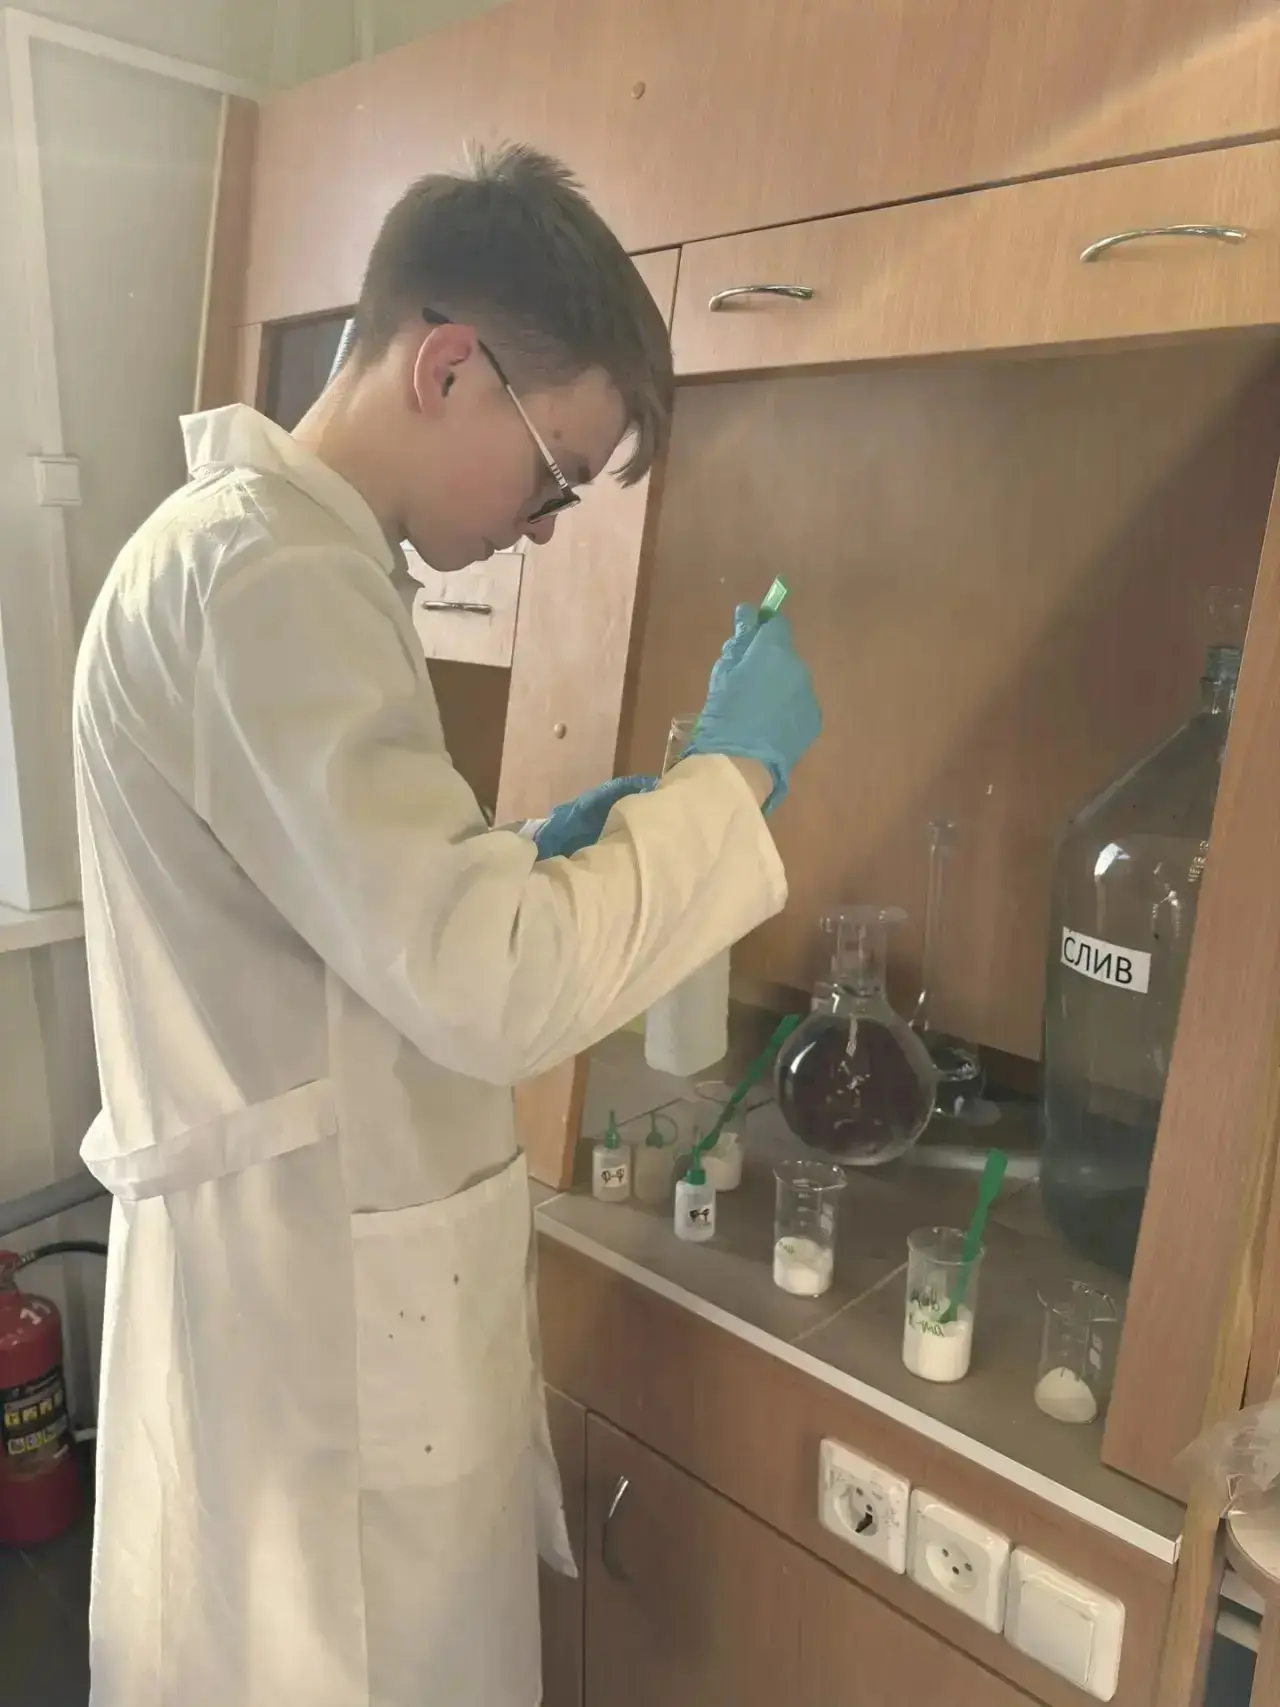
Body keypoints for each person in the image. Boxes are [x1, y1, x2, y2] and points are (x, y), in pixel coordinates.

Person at [73, 144, 820, 1707]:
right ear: (448, 366)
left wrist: (511, 854)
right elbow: (494, 991)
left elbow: (329, 914)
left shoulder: (271, 560)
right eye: (556, 474)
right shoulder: (269, 577)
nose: (545, 527)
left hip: (307, 1313)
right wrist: (732, 775)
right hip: (312, 1362)